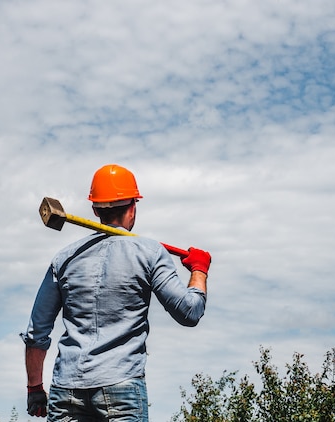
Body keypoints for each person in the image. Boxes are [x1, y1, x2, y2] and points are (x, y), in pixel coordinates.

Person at [21, 164, 211, 421]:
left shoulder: (64, 259)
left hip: (67, 388)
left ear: (94, 209)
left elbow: (37, 332)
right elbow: (189, 312)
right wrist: (199, 270)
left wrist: (35, 388)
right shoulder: (150, 253)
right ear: (133, 207)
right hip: (121, 386)